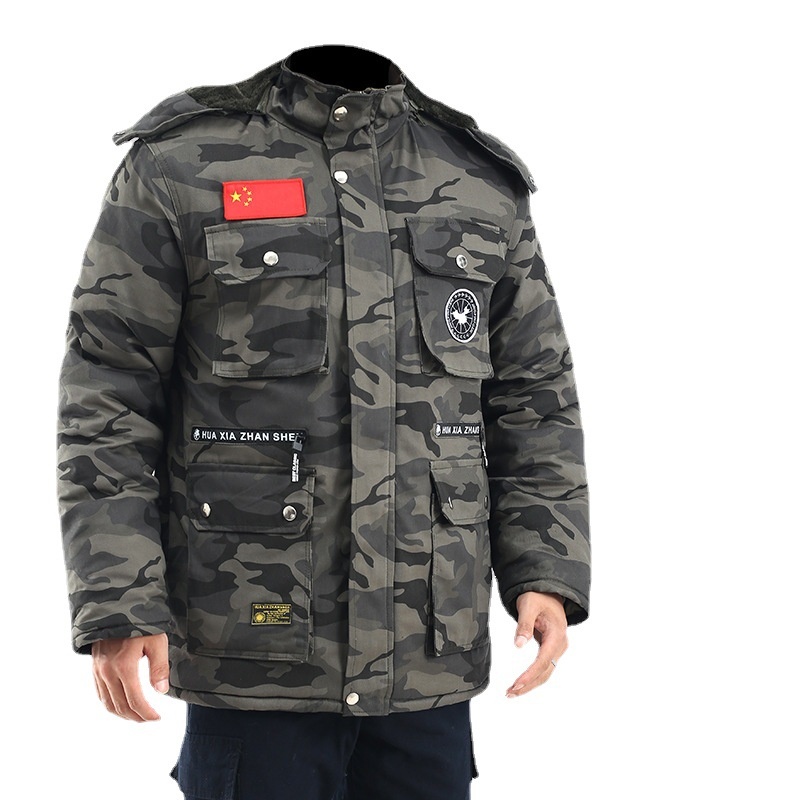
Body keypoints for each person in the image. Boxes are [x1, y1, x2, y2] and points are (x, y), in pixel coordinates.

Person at [57, 43, 591, 800]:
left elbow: (535, 397)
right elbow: (108, 393)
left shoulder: (476, 179)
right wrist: (118, 599)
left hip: (425, 653)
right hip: (254, 645)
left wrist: (545, 570)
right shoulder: (182, 164)